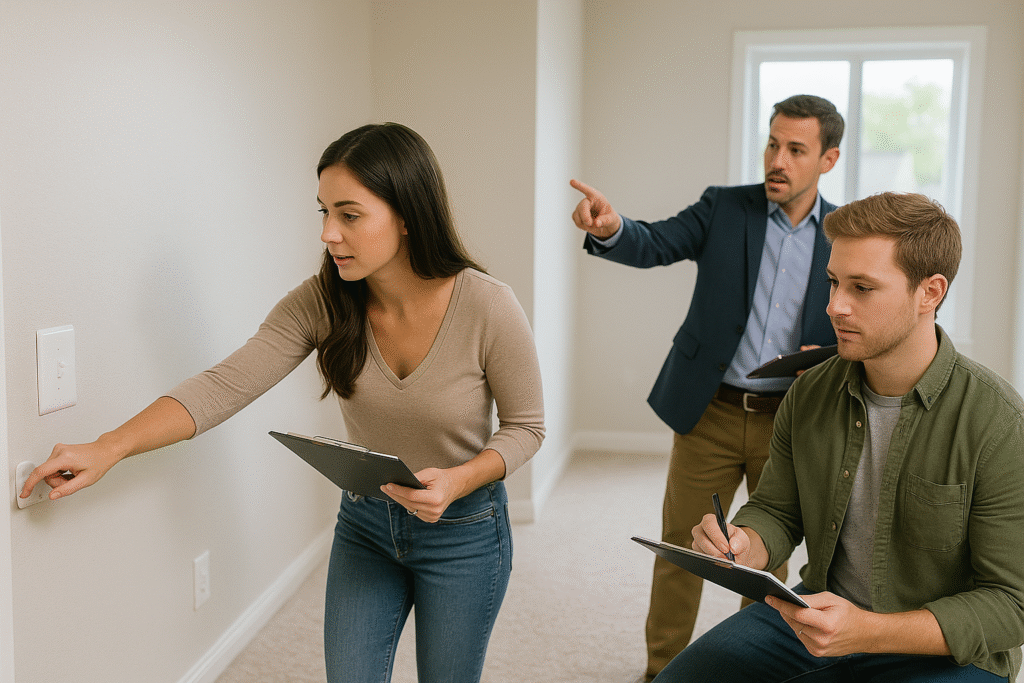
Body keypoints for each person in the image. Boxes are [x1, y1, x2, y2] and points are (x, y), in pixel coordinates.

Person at [20, 122, 545, 683]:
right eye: (323, 213)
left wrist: (461, 480)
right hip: (366, 525)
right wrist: (109, 448)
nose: (329, 234)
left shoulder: (488, 306)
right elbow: (226, 384)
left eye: (349, 214)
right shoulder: (323, 301)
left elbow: (526, 427)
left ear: (408, 215)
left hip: (465, 530)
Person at [660, 192, 1024, 682]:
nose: (834, 306)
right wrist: (745, 544)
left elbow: (1011, 605)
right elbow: (778, 511)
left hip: (943, 651)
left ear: (930, 293)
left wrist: (868, 630)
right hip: (816, 618)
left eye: (862, 288)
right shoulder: (810, 392)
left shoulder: (999, 422)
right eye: (833, 282)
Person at [571, 94, 843, 680]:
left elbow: (856, 320)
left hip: (790, 422)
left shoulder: (842, 235)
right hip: (711, 413)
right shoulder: (724, 208)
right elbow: (655, 242)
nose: (777, 158)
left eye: (796, 149)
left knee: (764, 560)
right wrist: (613, 228)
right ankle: (662, 671)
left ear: (828, 160)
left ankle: (749, 670)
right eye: (773, 143)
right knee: (684, 548)